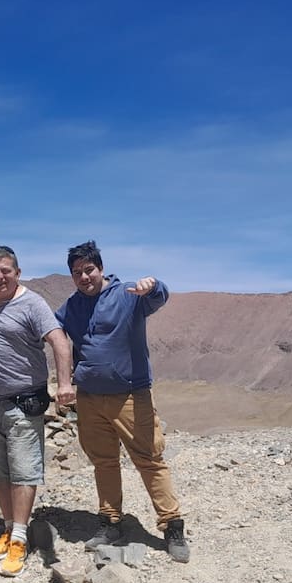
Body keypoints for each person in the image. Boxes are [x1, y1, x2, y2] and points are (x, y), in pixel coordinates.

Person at [55, 240, 189, 562]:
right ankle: (110, 520)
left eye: (89, 269)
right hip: (89, 398)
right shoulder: (72, 306)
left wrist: (154, 286)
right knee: (103, 461)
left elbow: (158, 297)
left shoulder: (129, 294)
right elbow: (54, 329)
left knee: (149, 459)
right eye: (77, 272)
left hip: (130, 396)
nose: (84, 277)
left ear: (100, 268)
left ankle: (172, 526)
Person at [0, 246, 75, 578]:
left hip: (22, 402)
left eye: (5, 271)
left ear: (17, 272)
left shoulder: (33, 303)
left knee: (23, 472)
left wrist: (64, 383)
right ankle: (7, 529)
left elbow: (60, 341)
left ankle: (20, 539)